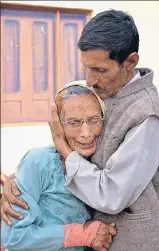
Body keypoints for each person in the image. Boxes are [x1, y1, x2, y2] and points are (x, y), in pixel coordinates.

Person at [1, 10, 159, 251]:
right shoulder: (104, 91)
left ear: (130, 62)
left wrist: (61, 149)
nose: (89, 80)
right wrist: (25, 179)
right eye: (86, 67)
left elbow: (112, 195)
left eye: (99, 70)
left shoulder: (146, 114)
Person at [1, 84, 116, 251]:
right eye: (73, 123)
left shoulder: (104, 161)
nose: (86, 132)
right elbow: (12, 236)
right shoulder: (40, 162)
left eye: (93, 120)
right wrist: (80, 234)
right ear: (58, 126)